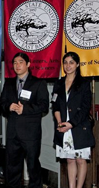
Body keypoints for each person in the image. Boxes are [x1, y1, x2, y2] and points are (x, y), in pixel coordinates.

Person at [0, 52, 49, 188]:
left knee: (33, 166)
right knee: (12, 167)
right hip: (13, 132)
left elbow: (44, 106)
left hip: (30, 133)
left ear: (28, 64)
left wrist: (25, 109)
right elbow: (1, 103)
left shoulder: (38, 83)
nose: (17, 65)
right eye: (15, 62)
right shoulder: (8, 83)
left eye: (20, 62)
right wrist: (8, 106)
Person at [52, 52, 95, 188]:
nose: (68, 65)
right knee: (70, 160)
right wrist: (60, 122)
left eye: (71, 62)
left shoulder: (84, 83)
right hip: (63, 128)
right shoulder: (58, 83)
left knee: (81, 161)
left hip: (79, 127)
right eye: (65, 62)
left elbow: (84, 108)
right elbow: (55, 105)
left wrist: (71, 124)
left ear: (77, 64)